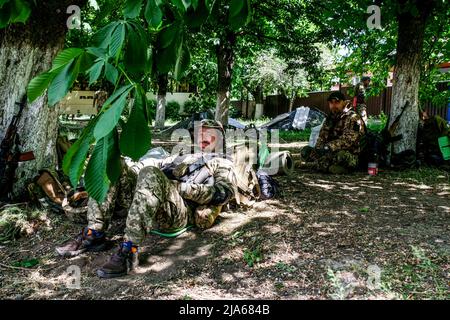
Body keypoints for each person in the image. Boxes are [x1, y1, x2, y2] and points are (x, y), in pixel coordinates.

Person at [55, 119, 244, 279]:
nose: (203, 137)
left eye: (209, 134)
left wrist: (181, 188)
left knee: (150, 173)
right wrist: (129, 173)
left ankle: (129, 250)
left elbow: (223, 193)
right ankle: (94, 234)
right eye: (200, 133)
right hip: (150, 199)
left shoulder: (222, 162)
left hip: (179, 210)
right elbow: (150, 165)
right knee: (114, 165)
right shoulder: (183, 157)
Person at [300, 91, 366, 174]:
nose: (334, 105)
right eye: (331, 103)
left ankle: (319, 166)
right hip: (330, 152)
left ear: (344, 103)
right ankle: (325, 166)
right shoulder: (330, 118)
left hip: (350, 154)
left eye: (337, 102)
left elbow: (348, 141)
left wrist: (328, 147)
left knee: (340, 155)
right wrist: (318, 150)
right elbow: (322, 137)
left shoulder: (353, 117)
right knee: (306, 151)